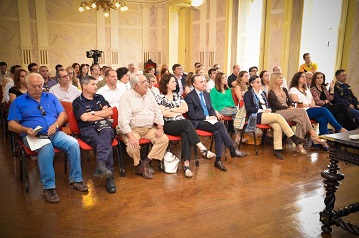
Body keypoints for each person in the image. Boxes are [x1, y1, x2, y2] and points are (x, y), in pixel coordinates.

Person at [8, 73, 88, 203]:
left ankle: (76, 180)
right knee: (47, 148)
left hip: (53, 133)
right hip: (34, 136)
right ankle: (48, 187)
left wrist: (56, 124)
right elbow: (11, 124)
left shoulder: (50, 97)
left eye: (40, 86)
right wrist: (25, 130)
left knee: (73, 143)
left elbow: (62, 114)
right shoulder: (19, 101)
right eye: (34, 86)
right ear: (27, 86)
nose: (38, 89)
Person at [155, 74, 216, 178]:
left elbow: (185, 109)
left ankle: (186, 165)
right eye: (173, 81)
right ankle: (202, 148)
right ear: (166, 84)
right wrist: (175, 110)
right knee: (187, 123)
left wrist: (171, 110)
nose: (175, 83)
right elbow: (163, 113)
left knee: (186, 133)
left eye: (175, 81)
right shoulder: (159, 97)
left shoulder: (178, 95)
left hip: (181, 124)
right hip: (168, 124)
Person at [185, 74, 249, 171]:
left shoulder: (206, 94)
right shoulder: (190, 97)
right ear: (194, 84)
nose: (204, 83)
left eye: (204, 81)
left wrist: (213, 116)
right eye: (201, 82)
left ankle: (218, 161)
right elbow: (191, 115)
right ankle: (232, 149)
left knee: (218, 132)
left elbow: (211, 108)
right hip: (198, 122)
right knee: (220, 125)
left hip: (210, 120)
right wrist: (207, 117)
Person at [117, 73, 169, 179]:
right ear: (136, 85)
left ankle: (143, 164)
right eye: (144, 82)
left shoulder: (149, 93)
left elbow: (157, 110)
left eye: (147, 81)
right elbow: (123, 121)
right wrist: (131, 136)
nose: (147, 84)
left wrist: (160, 127)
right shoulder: (126, 97)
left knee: (163, 139)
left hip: (149, 128)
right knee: (133, 147)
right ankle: (139, 164)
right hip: (132, 130)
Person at [244, 75, 306, 159]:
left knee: (277, 126)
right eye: (257, 82)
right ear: (252, 84)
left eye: (260, 82)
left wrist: (269, 109)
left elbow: (268, 105)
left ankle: (277, 150)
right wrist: (262, 110)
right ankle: (293, 137)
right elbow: (248, 108)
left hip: (267, 115)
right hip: (256, 116)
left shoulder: (262, 93)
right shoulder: (248, 94)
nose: (260, 84)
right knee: (278, 117)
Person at [72, 75, 116, 194]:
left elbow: (110, 113)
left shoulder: (99, 97)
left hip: (104, 125)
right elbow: (85, 118)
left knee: (106, 132)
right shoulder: (77, 102)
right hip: (88, 129)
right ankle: (109, 177)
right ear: (84, 86)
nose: (96, 87)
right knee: (106, 144)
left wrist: (93, 113)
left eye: (96, 84)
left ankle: (101, 165)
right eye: (93, 84)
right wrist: (100, 114)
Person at [268, 72, 327, 155]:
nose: (282, 80)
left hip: (289, 111)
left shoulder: (284, 90)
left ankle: (300, 146)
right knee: (302, 111)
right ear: (274, 80)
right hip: (279, 113)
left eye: (282, 78)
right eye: (280, 78)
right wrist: (289, 108)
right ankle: (313, 134)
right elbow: (278, 106)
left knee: (300, 119)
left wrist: (290, 107)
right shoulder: (271, 93)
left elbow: (290, 102)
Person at [288, 72, 346, 143]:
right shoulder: (293, 90)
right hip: (301, 112)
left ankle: (321, 142)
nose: (305, 78)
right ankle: (339, 128)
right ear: (297, 79)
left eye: (305, 77)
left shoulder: (306, 89)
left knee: (323, 119)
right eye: (302, 77)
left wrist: (310, 105)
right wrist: (308, 105)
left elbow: (312, 101)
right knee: (324, 110)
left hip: (310, 109)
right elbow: (297, 103)